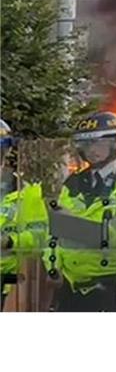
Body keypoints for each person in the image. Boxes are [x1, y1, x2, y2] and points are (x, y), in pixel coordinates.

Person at [43, 111, 116, 311]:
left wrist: (71, 225)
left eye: (98, 143)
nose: (92, 149)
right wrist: (52, 267)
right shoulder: (73, 183)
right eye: (86, 144)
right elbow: (53, 234)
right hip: (70, 286)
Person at [1, 118, 47, 310]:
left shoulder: (25, 192)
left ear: (5, 151)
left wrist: (10, 241)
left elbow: (40, 236)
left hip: (9, 286)